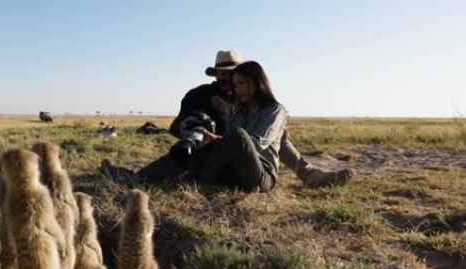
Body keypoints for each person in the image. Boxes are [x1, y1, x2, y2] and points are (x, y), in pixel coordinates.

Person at [101, 50, 353, 188]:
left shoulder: (269, 108)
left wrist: (223, 138)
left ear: (254, 82)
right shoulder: (203, 96)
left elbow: (252, 142)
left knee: (247, 137)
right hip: (223, 157)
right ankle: (138, 178)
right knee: (193, 149)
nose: (234, 86)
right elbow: (177, 126)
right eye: (228, 79)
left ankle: (309, 173)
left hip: (254, 168)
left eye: (238, 81)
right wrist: (194, 130)